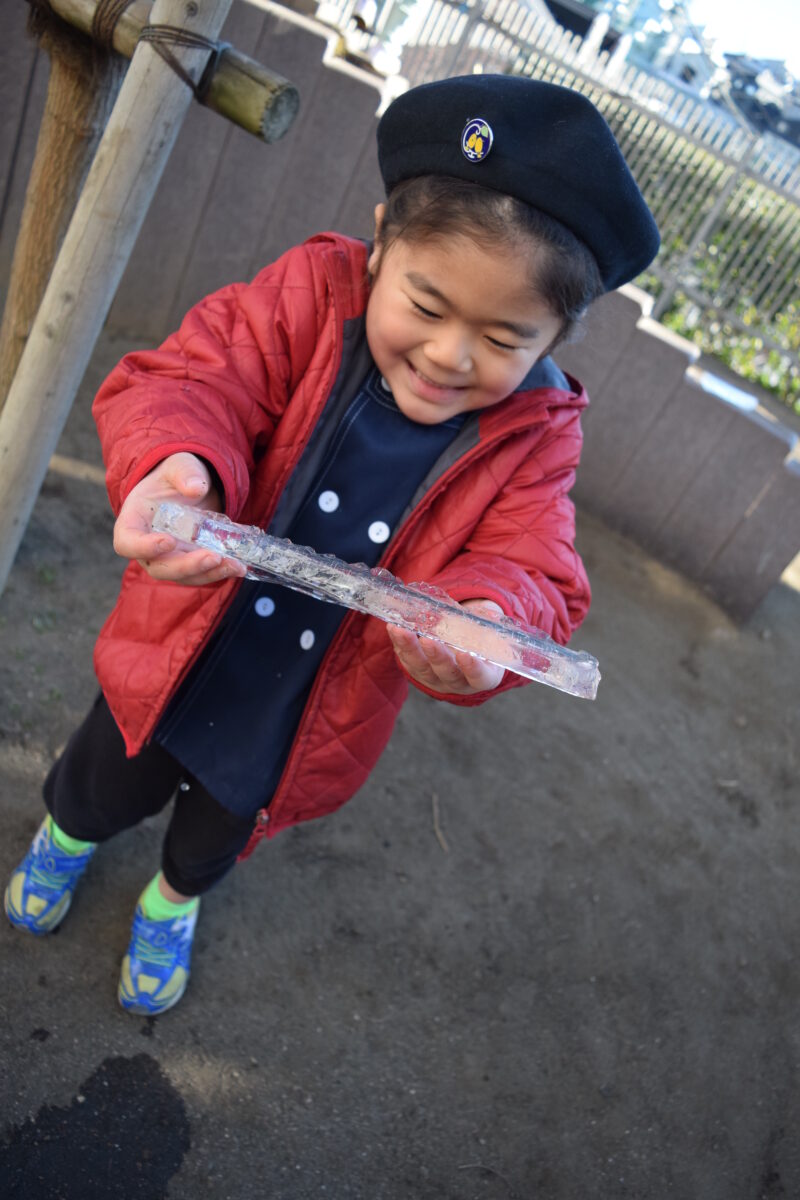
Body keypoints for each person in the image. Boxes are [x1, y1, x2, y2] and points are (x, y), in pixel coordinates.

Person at [4, 74, 659, 1015]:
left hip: (306, 704)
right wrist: (180, 465)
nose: (450, 356)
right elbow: (199, 378)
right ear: (382, 239)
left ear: (558, 334)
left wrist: (490, 619)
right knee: (104, 775)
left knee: (219, 829)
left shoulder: (539, 436)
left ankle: (171, 901)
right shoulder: (309, 297)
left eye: (505, 338)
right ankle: (65, 839)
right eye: (425, 306)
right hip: (182, 639)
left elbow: (534, 563)